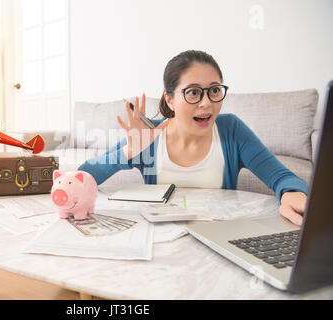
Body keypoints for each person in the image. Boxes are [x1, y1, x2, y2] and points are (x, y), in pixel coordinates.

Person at [78, 50, 308, 226]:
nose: (206, 103)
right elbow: (83, 177)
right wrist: (128, 152)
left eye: (214, 90)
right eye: (193, 92)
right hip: (160, 239)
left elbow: (282, 177)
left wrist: (291, 193)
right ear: (170, 100)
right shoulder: (149, 137)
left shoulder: (232, 130)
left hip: (218, 235)